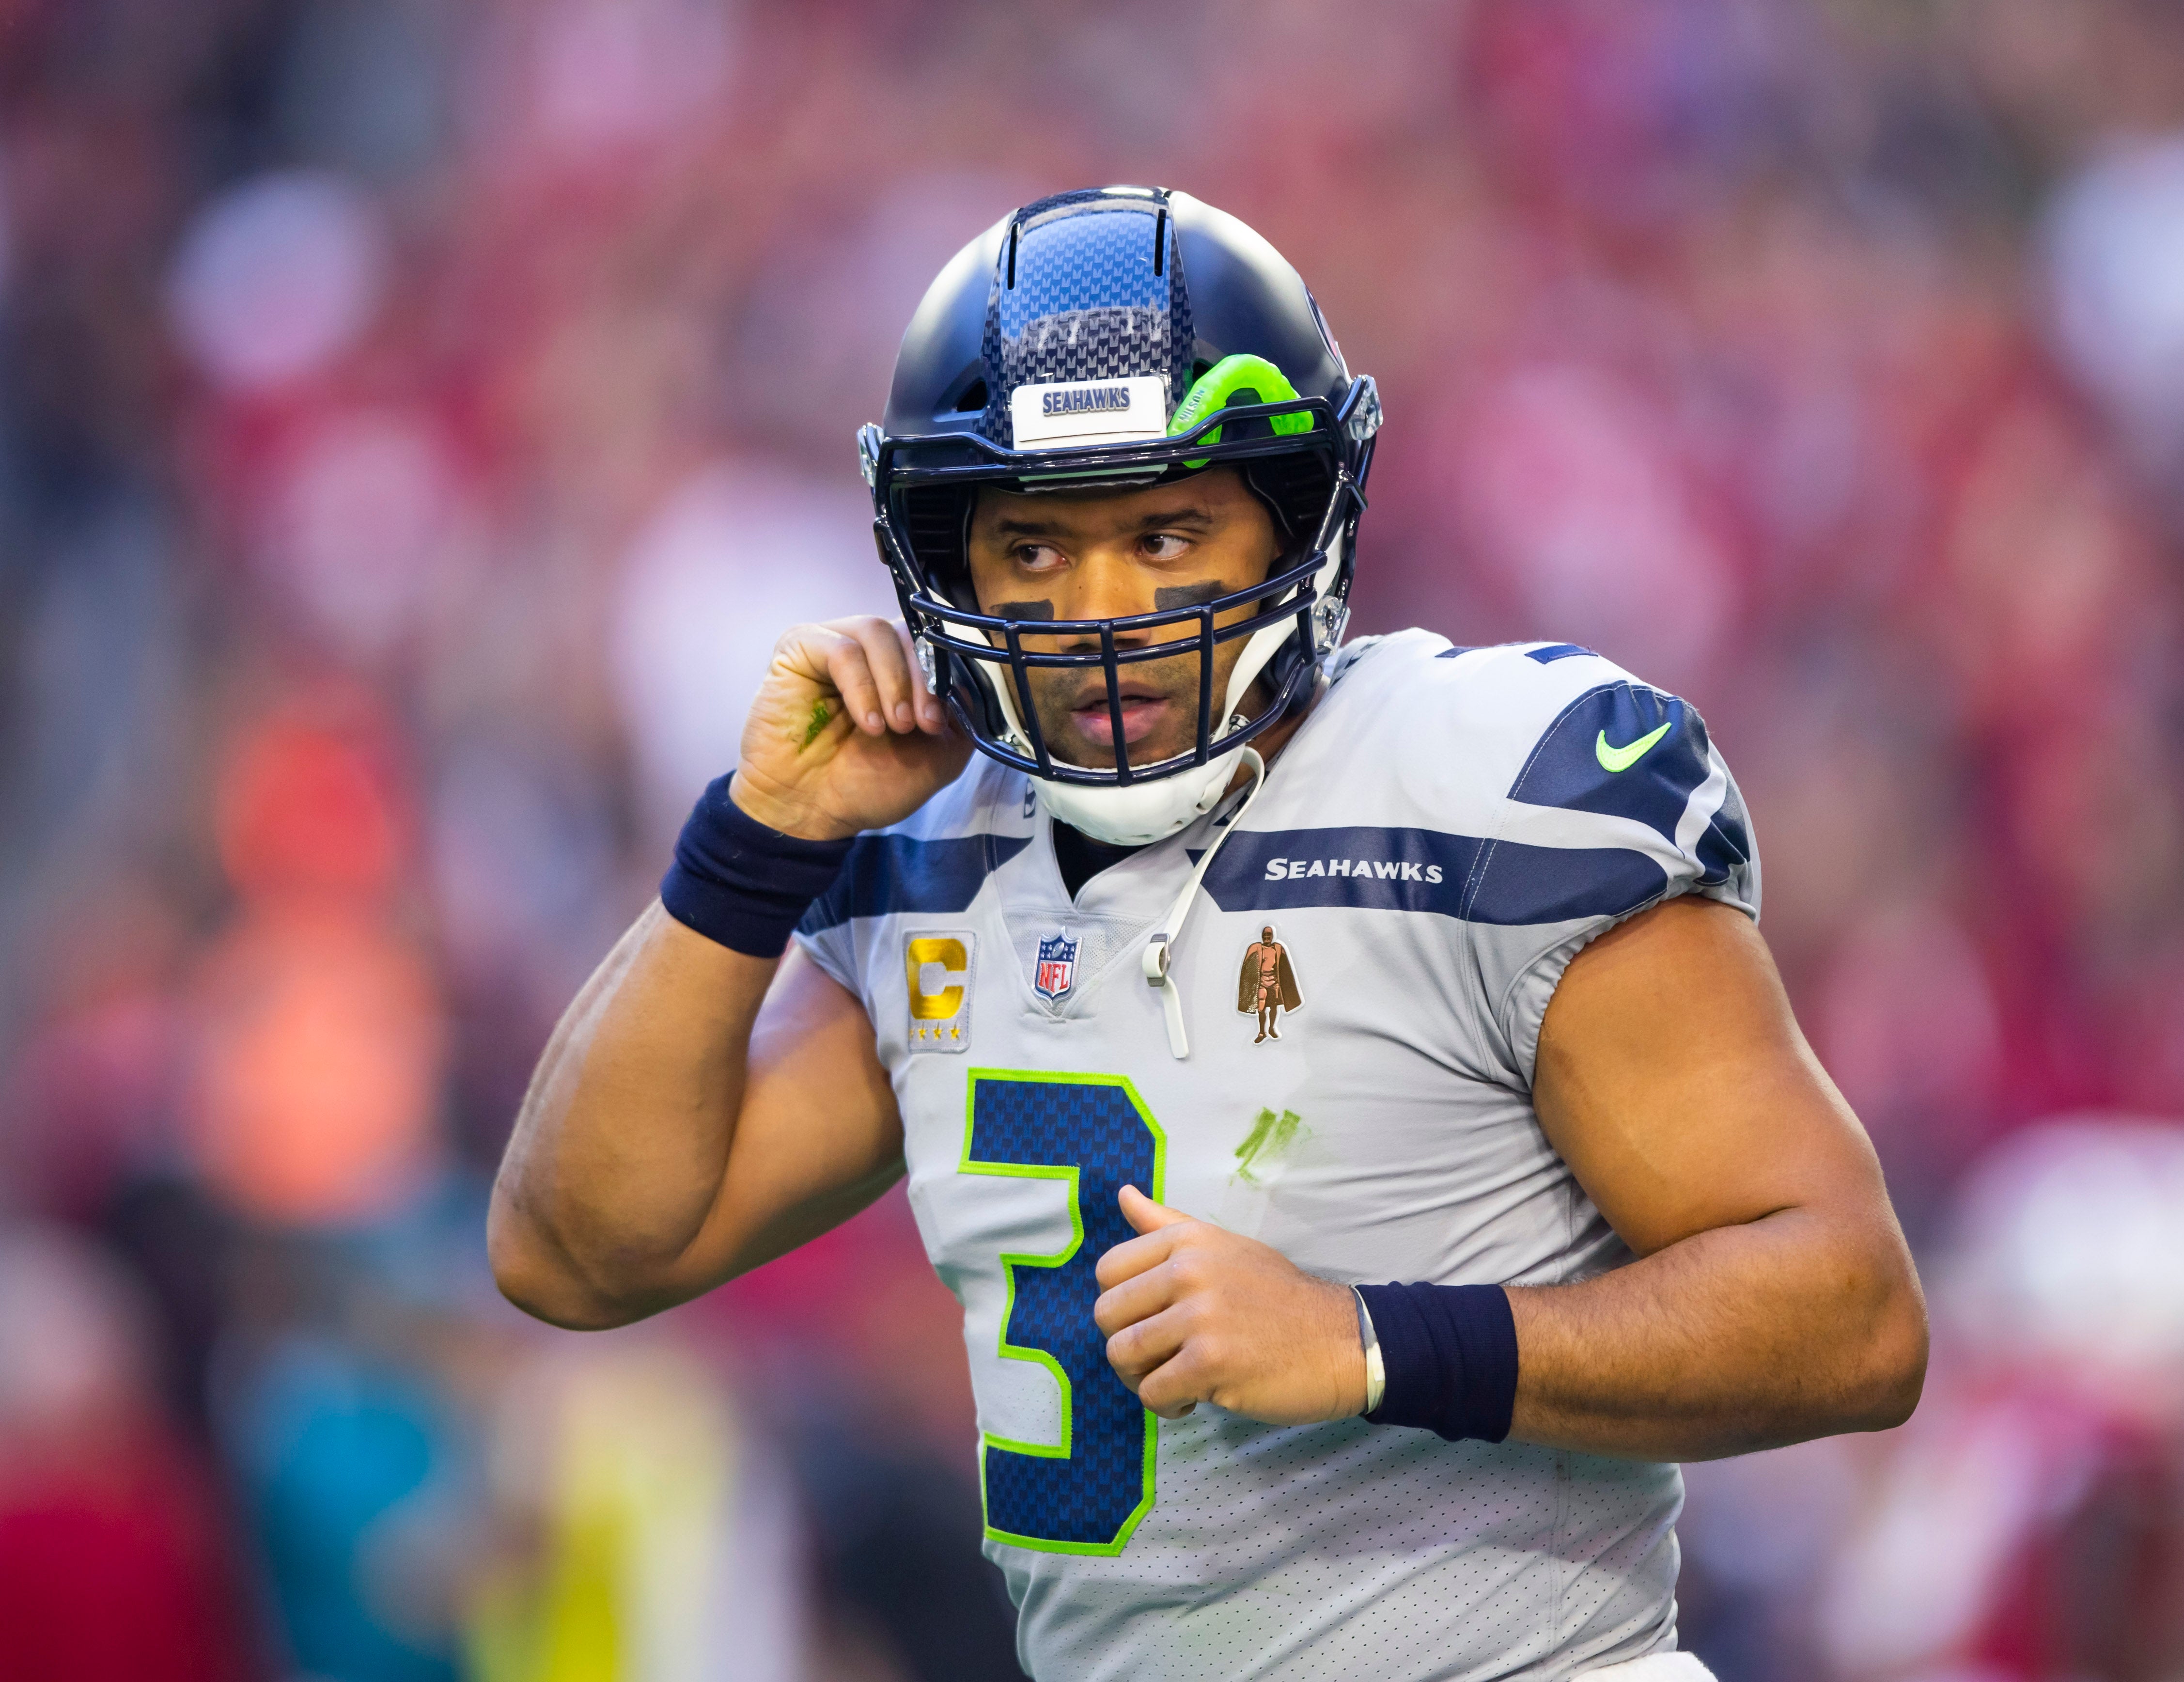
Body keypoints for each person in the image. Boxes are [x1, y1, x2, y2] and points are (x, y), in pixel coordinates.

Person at [489, 187, 1928, 1681]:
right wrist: (754, 840)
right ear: (945, 568)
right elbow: (578, 1252)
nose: (1103, 610)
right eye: (1035, 550)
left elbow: (1849, 1311)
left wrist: (1370, 1339)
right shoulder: (937, 862)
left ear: (1294, 519)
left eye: (1165, 531)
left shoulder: (1488, 783)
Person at [1236, 925, 1299, 1043]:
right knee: (1261, 1008)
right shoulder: (1256, 948)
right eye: (1265, 935)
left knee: (1274, 1007)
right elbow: (1247, 966)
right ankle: (1262, 1032)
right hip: (1262, 983)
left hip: (1275, 983)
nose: (1267, 937)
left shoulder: (1278, 948)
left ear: (1272, 936)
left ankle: (1271, 1029)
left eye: (1269, 935)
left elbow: (1285, 968)